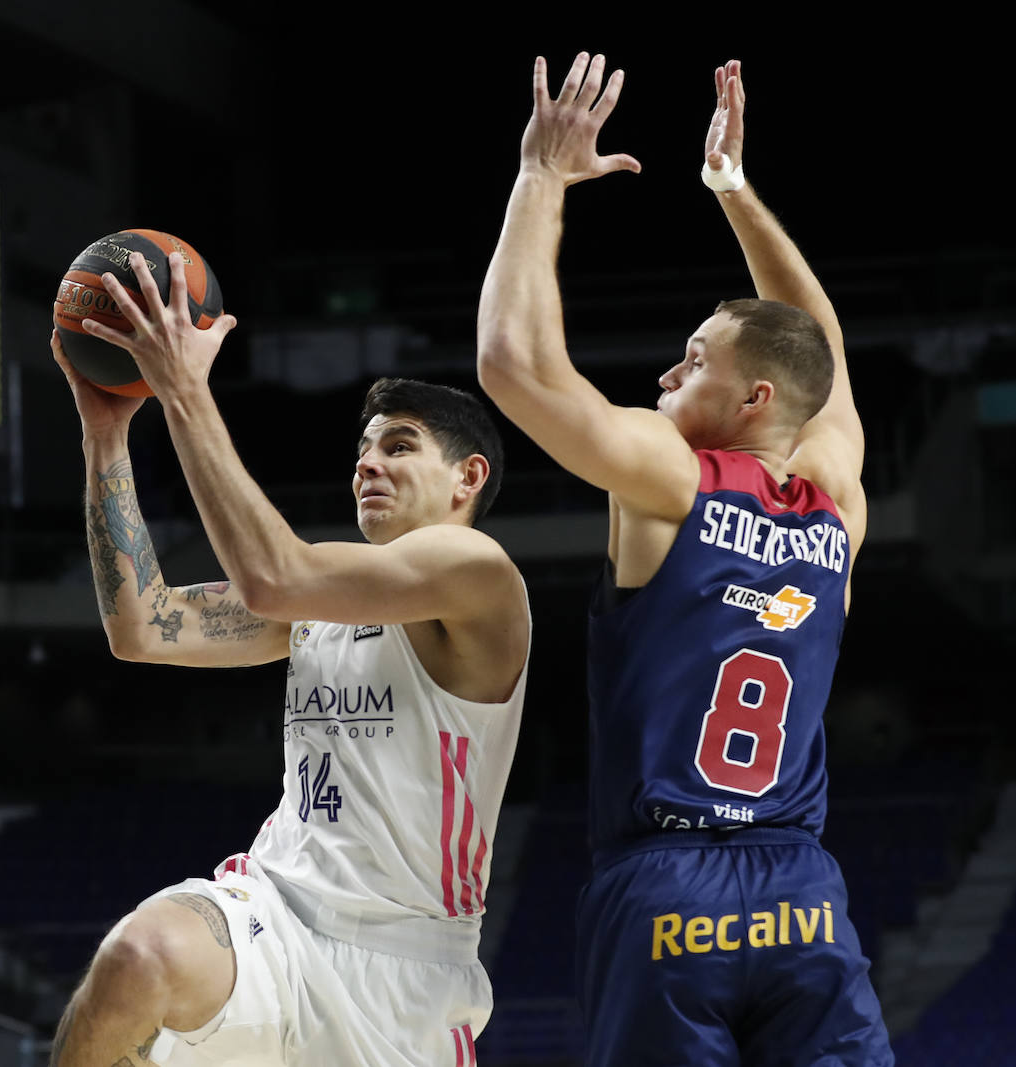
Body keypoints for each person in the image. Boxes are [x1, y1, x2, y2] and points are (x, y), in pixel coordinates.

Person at [477, 55, 893, 1065]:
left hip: (666, 889)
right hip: (802, 894)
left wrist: (539, 177)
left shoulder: (674, 481)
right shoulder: (836, 501)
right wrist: (734, 193)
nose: (670, 369)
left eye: (697, 358)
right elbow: (818, 357)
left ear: (753, 401)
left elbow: (514, 365)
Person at [48, 248, 530, 1066]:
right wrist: (107, 431)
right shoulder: (320, 604)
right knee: (136, 958)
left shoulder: (478, 574)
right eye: (362, 452)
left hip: (403, 970)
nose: (367, 463)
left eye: (401, 446)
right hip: (271, 913)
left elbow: (272, 576)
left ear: (467, 478)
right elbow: (143, 626)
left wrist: (183, 387)